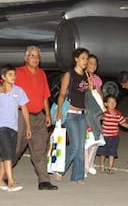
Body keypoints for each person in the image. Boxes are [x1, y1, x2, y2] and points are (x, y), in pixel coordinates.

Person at [14, 46, 58, 190]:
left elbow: (45, 95)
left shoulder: (41, 73)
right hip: (21, 115)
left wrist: (47, 114)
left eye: (37, 56)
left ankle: (44, 180)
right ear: (26, 58)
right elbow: (7, 90)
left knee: (40, 149)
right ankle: (3, 173)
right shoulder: (18, 72)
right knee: (17, 148)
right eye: (32, 56)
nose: (35, 59)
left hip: (38, 115)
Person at [0, 64, 32, 192]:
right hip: (1, 126)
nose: (13, 77)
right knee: (7, 153)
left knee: (8, 155)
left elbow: (24, 109)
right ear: (3, 77)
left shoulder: (19, 91)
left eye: (14, 74)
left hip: (14, 127)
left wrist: (28, 127)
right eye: (10, 75)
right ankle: (11, 181)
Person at [55, 48, 92, 184]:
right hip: (70, 114)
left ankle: (78, 176)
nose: (85, 61)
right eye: (82, 58)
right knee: (75, 146)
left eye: (87, 59)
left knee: (81, 147)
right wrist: (59, 110)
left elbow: (90, 94)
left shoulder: (87, 75)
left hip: (83, 114)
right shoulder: (69, 75)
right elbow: (62, 94)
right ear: (76, 59)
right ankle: (60, 169)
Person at [97, 95, 128, 174]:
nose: (112, 104)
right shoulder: (105, 113)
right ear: (106, 104)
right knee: (103, 152)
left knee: (112, 152)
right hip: (105, 136)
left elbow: (123, 123)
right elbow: (97, 118)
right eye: (110, 102)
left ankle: (110, 168)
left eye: (114, 102)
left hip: (114, 137)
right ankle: (102, 166)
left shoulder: (118, 113)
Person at [84, 54, 104, 177]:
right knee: (86, 141)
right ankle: (85, 167)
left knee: (95, 140)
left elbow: (100, 94)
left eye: (95, 64)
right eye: (90, 63)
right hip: (86, 113)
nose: (93, 66)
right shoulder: (81, 78)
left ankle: (90, 164)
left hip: (95, 113)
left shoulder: (97, 79)